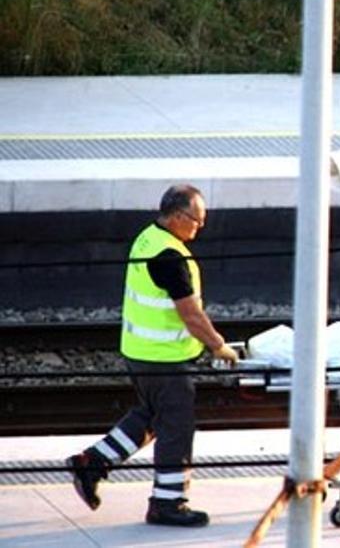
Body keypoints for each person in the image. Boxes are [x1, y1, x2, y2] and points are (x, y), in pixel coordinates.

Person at [65, 184, 239, 527]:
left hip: (141, 352)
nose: (199, 228)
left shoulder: (148, 237)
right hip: (163, 359)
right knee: (177, 425)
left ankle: (91, 463)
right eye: (196, 220)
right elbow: (190, 315)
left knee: (151, 416)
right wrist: (218, 345)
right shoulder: (169, 257)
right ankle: (168, 503)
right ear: (176, 216)